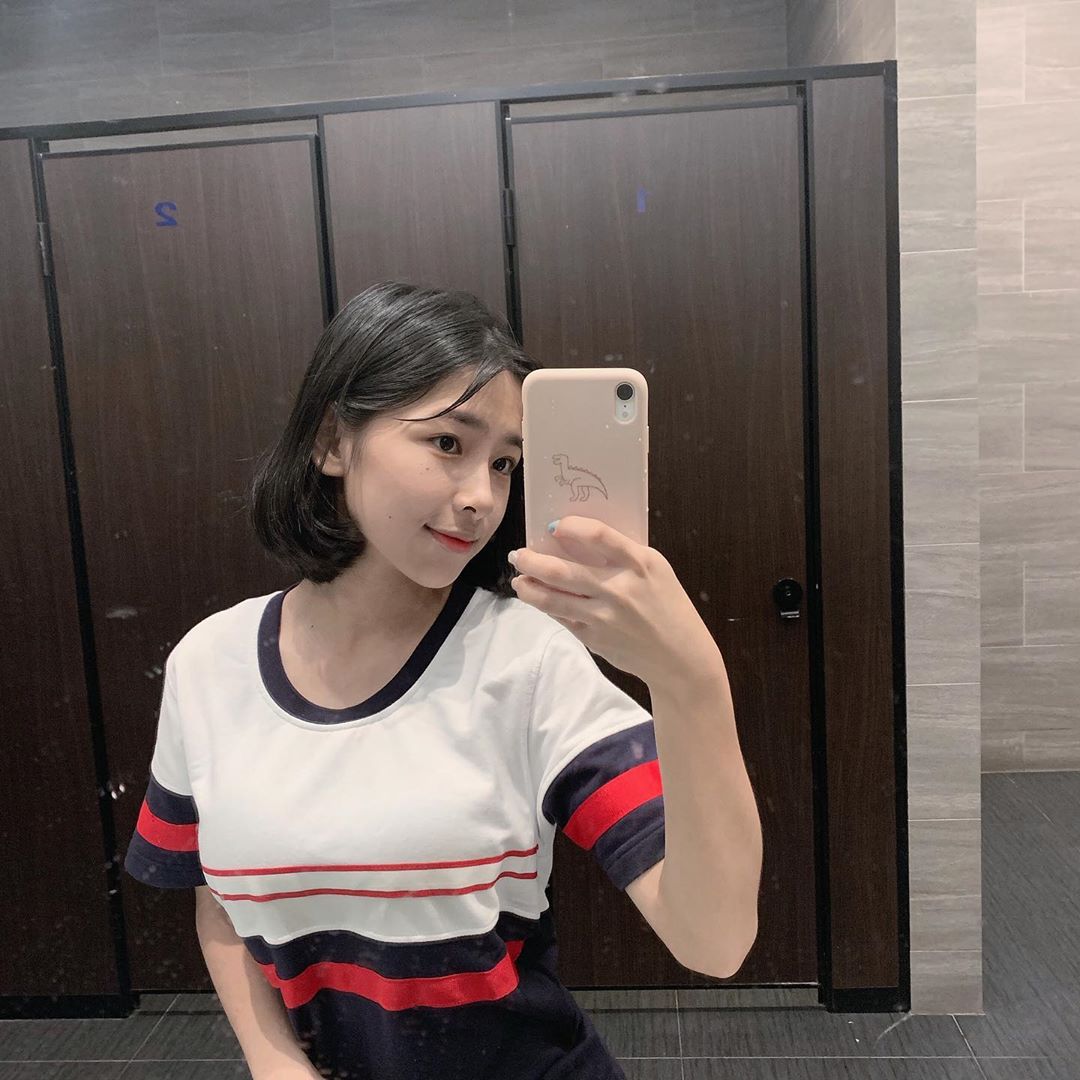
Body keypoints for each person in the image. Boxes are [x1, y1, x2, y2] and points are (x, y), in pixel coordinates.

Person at [124, 281, 666, 1080]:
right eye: (447, 443)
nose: (481, 497)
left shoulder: (526, 658)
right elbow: (218, 897)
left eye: (505, 463)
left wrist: (688, 676)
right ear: (333, 441)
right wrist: (274, 1063)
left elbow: (709, 932)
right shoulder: (211, 662)